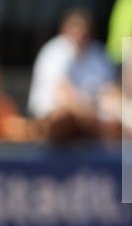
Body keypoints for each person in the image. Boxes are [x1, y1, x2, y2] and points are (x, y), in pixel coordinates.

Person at [28, 8, 120, 142]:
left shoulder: (98, 54)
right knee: (63, 119)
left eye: (83, 29)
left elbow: (110, 90)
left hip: (91, 117)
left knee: (115, 125)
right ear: (65, 30)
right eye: (75, 29)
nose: (80, 34)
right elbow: (64, 94)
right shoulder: (54, 51)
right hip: (53, 116)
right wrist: (89, 115)